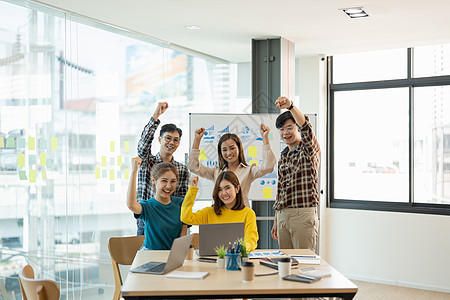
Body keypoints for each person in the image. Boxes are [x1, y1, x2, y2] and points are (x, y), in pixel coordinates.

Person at [271, 96, 321, 251]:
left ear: (297, 128)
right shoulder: (284, 155)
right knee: (286, 265)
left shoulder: (308, 149)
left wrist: (290, 106)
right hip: (283, 216)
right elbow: (281, 191)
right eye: (281, 129)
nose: (285, 133)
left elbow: (306, 126)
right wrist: (276, 220)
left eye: (289, 127)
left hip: (302, 213)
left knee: (304, 264)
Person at [188, 124, 276, 208]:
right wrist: (197, 140)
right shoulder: (216, 172)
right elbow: (193, 167)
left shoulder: (249, 171)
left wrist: (265, 138)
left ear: (239, 148)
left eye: (232, 148)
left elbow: (268, 167)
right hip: (220, 216)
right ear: (220, 152)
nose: (229, 153)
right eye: (224, 150)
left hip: (241, 217)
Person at [136, 102, 190, 236]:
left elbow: (183, 201)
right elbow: (143, 145)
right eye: (168, 138)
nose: (171, 142)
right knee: (146, 256)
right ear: (159, 139)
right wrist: (156, 116)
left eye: (176, 140)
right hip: (147, 222)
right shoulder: (147, 161)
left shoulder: (181, 169)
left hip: (172, 224)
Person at [180, 171, 258, 252]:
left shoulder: (248, 214)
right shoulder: (209, 212)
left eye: (227, 188)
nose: (224, 193)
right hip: (212, 260)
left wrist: (239, 248)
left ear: (237, 189)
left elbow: (251, 241)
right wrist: (192, 190)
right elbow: (185, 218)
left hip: (236, 259)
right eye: (220, 189)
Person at [127, 159, 187, 250]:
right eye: (164, 181)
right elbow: (131, 204)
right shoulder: (147, 206)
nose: (168, 186)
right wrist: (134, 171)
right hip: (150, 255)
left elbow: (183, 238)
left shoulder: (180, 203)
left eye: (173, 181)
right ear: (153, 181)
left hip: (172, 256)